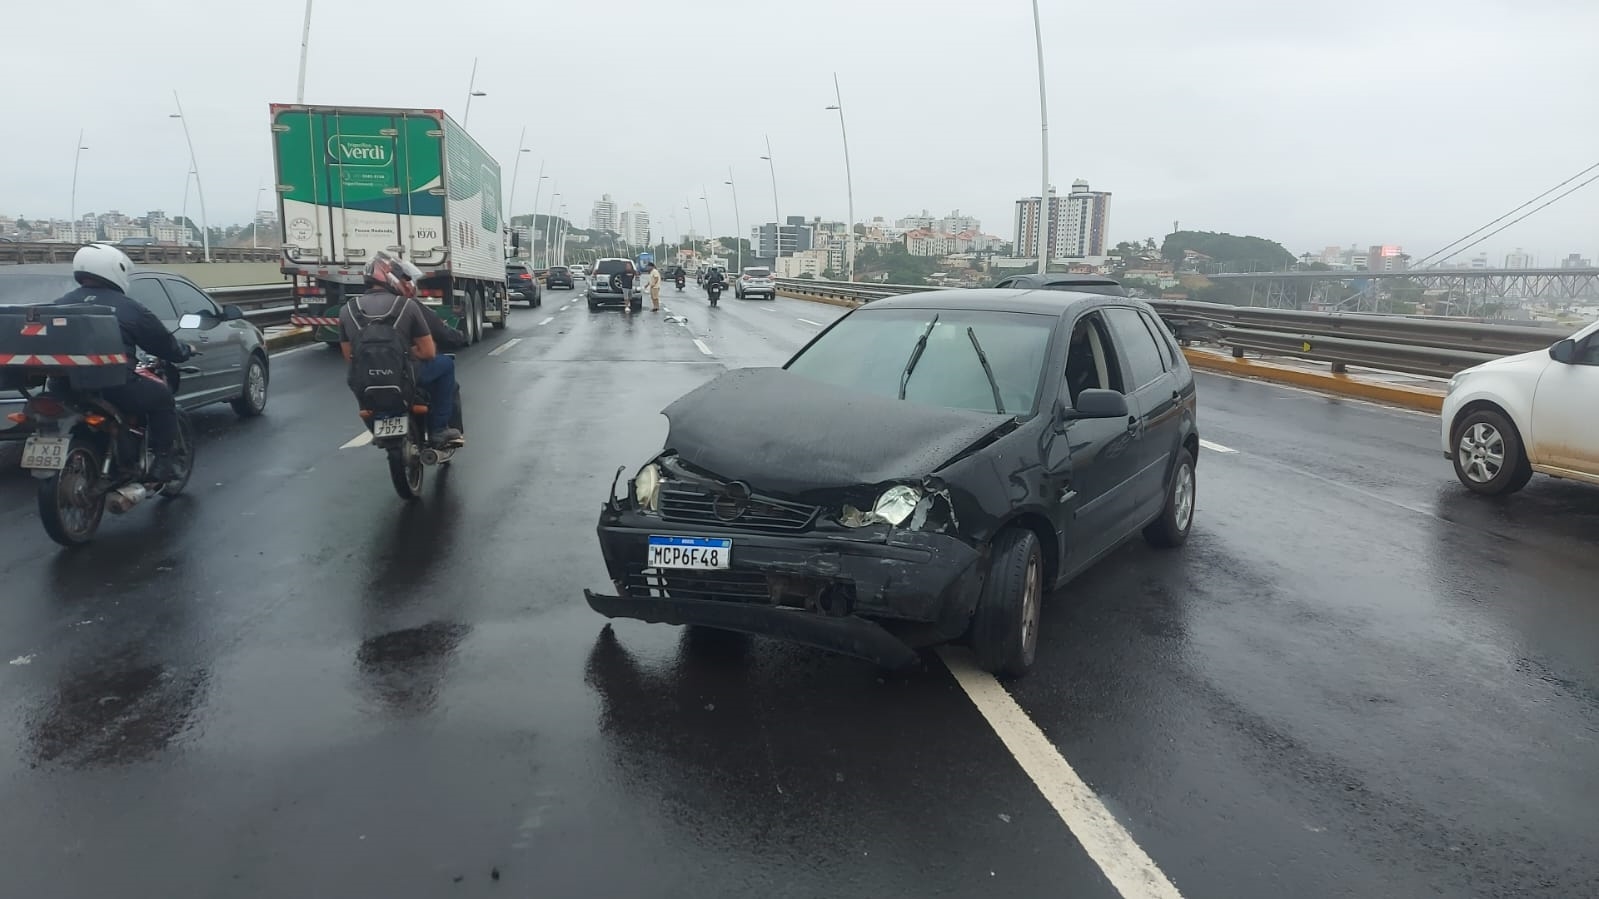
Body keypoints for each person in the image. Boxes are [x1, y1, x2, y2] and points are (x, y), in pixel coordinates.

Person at [52, 243, 192, 481]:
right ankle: (163, 462)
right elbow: (161, 342)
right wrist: (183, 351)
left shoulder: (59, 304)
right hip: (114, 387)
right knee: (162, 398)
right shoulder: (129, 308)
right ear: (114, 270)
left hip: (63, 386)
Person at [338, 252, 463, 446]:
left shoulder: (347, 310)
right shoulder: (407, 306)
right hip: (405, 375)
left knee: (355, 376)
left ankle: (376, 427)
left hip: (367, 379)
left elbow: (349, 357)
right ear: (391, 278)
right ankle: (438, 429)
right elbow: (428, 352)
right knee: (445, 364)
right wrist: (401, 354)